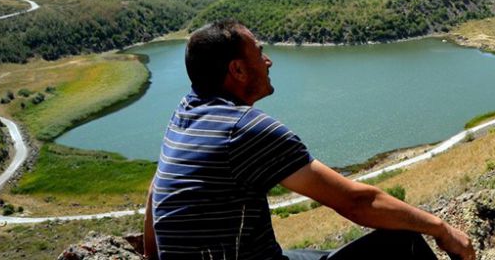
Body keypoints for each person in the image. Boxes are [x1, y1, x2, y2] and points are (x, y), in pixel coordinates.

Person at [144, 20, 475, 260]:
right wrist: (442, 229)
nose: (268, 61)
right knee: (404, 244)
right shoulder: (244, 128)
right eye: (259, 54)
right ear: (238, 70)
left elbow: (154, 192)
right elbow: (356, 203)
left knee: (316, 254)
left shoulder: (185, 113)